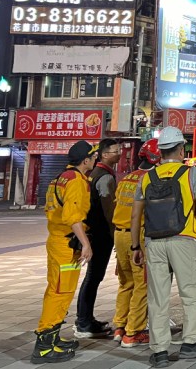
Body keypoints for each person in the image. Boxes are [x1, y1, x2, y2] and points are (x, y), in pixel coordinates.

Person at [131, 127, 196, 368]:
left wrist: (136, 245)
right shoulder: (191, 174)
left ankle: (159, 352)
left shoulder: (146, 177)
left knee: (157, 297)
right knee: (190, 292)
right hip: (184, 239)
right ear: (180, 149)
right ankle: (189, 343)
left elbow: (136, 215)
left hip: (153, 242)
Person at [31, 140, 97, 364]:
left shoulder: (59, 178)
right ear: (85, 160)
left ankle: (53, 338)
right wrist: (85, 243)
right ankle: (44, 346)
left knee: (58, 290)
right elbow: (72, 217)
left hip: (57, 240)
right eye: (93, 157)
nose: (95, 160)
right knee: (60, 292)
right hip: (66, 244)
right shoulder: (76, 181)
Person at [110, 139, 161, 348]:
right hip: (137, 236)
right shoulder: (150, 180)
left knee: (125, 283)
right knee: (143, 284)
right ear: (157, 158)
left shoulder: (126, 178)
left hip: (119, 235)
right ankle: (134, 332)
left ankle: (120, 326)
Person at [75, 138, 120, 338]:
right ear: (104, 155)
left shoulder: (94, 174)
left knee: (93, 277)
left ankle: (86, 319)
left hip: (93, 232)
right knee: (93, 277)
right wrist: (116, 235)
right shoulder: (105, 178)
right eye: (116, 151)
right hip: (100, 234)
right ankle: (83, 322)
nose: (119, 153)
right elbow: (109, 211)